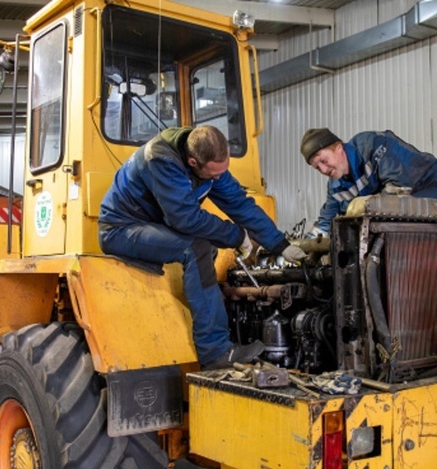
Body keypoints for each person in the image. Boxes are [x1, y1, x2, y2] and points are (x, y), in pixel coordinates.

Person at [98, 125, 306, 369]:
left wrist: (280, 244)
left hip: (152, 225)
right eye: (214, 174)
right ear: (193, 161)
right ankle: (215, 352)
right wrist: (237, 236)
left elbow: (239, 203)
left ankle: (219, 329)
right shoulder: (160, 159)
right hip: (121, 229)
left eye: (223, 171)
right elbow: (185, 219)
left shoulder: (210, 164)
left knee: (207, 250)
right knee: (196, 248)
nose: (218, 178)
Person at [300, 128, 437, 236]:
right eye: (317, 168)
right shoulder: (336, 187)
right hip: (400, 205)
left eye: (324, 160)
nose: (323, 170)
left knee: (407, 234)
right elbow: (324, 226)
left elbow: (398, 189)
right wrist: (301, 251)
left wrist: (362, 207)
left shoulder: (372, 145)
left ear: (338, 147)